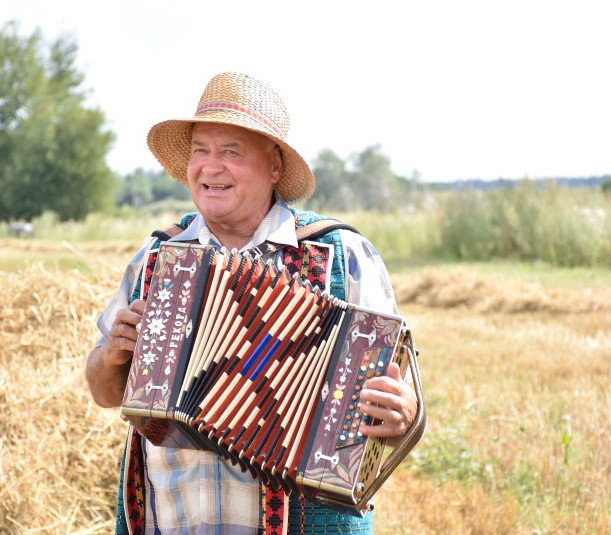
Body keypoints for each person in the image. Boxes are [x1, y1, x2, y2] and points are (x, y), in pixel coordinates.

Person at [86, 71, 419, 535]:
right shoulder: (158, 256)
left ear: (275, 166)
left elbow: (401, 400)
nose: (210, 167)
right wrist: (112, 355)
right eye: (200, 151)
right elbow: (103, 391)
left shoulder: (341, 254)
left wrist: (403, 412)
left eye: (231, 152)